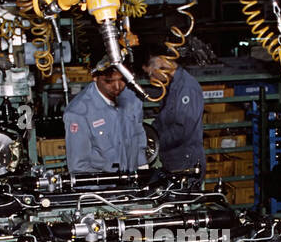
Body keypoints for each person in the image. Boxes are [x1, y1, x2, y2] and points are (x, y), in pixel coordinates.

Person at [63, 64, 145, 174]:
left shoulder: (132, 99)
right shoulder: (78, 113)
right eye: (109, 81)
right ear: (94, 77)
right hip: (103, 186)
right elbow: (79, 167)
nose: (117, 86)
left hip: (132, 180)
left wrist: (143, 168)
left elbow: (138, 137)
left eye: (122, 79)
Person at [138, 44, 205, 172]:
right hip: (173, 160)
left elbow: (182, 129)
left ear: (162, 64)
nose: (152, 79)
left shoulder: (186, 88)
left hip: (186, 162)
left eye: (151, 74)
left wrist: (156, 142)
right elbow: (164, 120)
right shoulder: (171, 87)